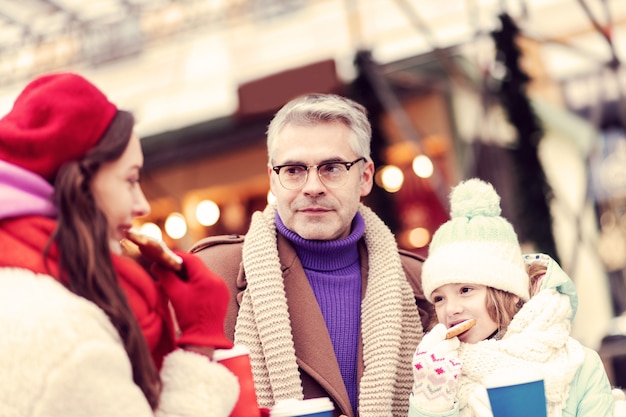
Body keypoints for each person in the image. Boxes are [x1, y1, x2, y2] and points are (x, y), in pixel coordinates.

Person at [0, 72, 239, 416]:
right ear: (81, 185)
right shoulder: (68, 334)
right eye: (130, 180)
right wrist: (199, 342)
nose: (142, 204)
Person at [190, 93, 432, 417]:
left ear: (364, 177)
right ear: (273, 180)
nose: (312, 186)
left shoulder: (423, 285)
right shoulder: (211, 278)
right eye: (293, 170)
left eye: (332, 168)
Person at [408, 178, 620, 417]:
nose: (451, 309)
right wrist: (431, 406)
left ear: (505, 291)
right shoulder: (439, 376)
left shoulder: (580, 365)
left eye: (465, 290)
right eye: (439, 299)